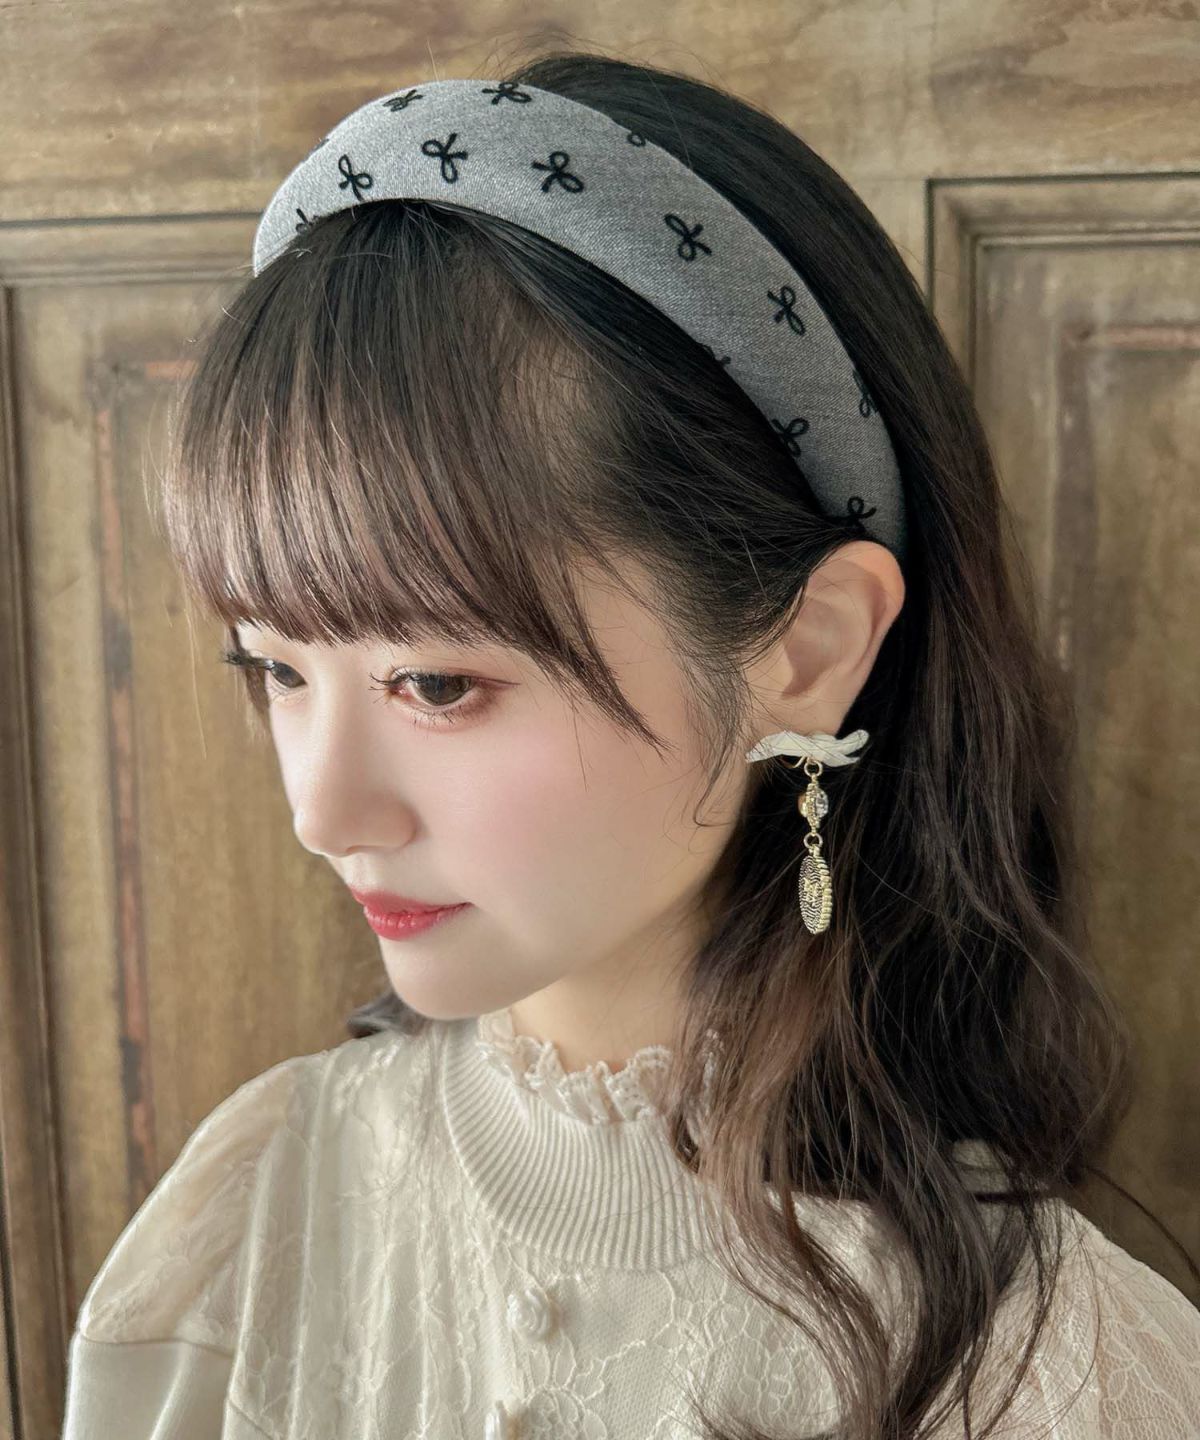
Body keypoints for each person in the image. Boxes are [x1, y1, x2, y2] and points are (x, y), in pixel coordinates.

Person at [61, 47, 1199, 1440]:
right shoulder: (250, 1223)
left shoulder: (1057, 1370)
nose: (323, 810)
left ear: (807, 651)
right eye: (277, 669)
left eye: (435, 684)